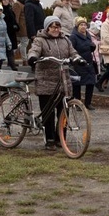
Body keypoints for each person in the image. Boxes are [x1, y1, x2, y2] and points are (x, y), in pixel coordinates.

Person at [27, 16, 86, 151]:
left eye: (58, 26)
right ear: (47, 27)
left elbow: (73, 52)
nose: (56, 29)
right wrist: (33, 58)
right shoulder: (39, 40)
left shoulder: (65, 40)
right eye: (53, 27)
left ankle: (61, 138)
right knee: (48, 112)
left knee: (63, 111)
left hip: (63, 80)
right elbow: (34, 50)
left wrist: (78, 59)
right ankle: (50, 139)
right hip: (45, 80)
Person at [69, 16, 97, 110]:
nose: (83, 27)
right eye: (81, 25)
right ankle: (77, 103)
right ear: (77, 26)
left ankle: (88, 103)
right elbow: (71, 49)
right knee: (77, 84)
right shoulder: (73, 37)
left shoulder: (88, 35)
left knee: (91, 83)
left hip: (88, 62)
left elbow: (90, 46)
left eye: (85, 25)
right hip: (78, 63)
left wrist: (92, 47)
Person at [0, 0, 19, 70]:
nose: (6, 1)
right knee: (1, 51)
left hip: (11, 32)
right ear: (1, 0)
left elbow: (13, 19)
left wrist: (16, 26)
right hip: (2, 32)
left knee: (10, 49)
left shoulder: (10, 8)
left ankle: (12, 64)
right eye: (4, 0)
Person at [13, 0, 30, 65]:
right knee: (24, 44)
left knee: (23, 44)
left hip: (26, 27)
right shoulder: (17, 4)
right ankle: (24, 60)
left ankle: (11, 57)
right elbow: (16, 16)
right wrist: (17, 27)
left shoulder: (25, 3)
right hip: (21, 28)